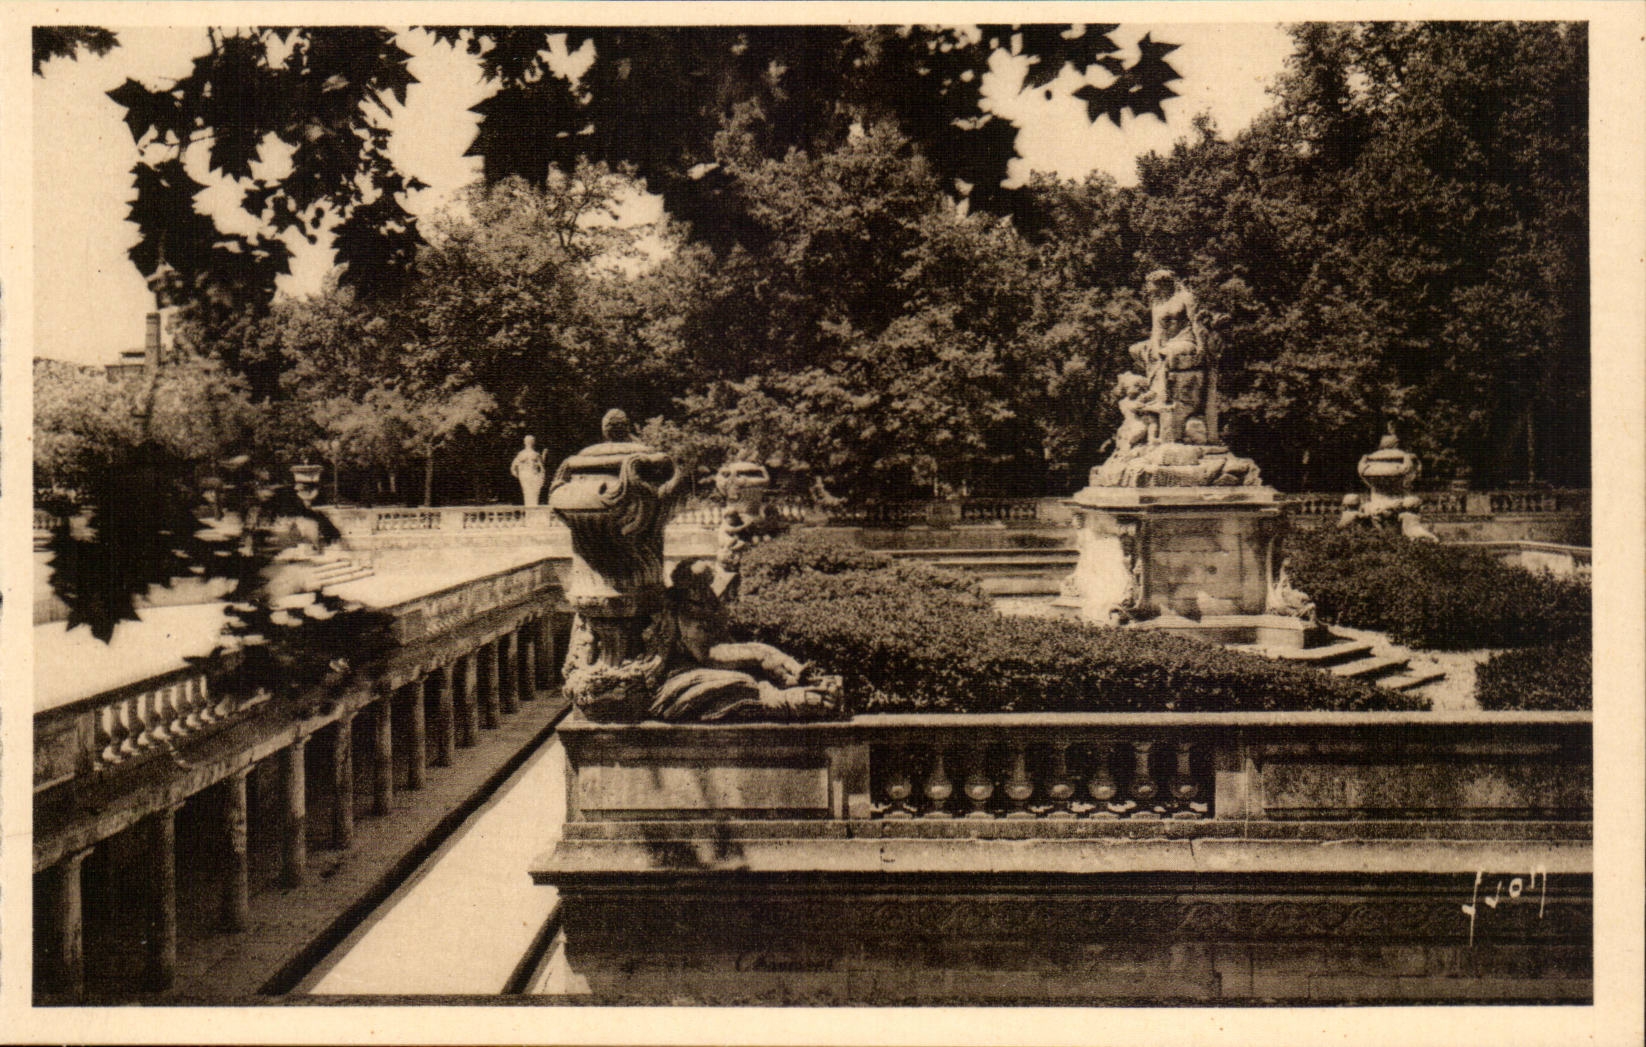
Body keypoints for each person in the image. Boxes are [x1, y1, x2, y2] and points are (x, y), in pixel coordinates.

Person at [1128, 269, 1208, 443]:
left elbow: (1195, 322)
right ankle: (1153, 391)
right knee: (1135, 350)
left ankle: (1163, 396)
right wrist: (1154, 348)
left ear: (1162, 283)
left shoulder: (1185, 297)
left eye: (1151, 284)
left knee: (1167, 354)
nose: (1149, 289)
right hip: (1165, 344)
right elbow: (1156, 331)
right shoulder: (1157, 304)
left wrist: (1201, 346)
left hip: (1185, 341)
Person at [511, 435, 546, 506]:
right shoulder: (523, 454)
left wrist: (541, 476)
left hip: (532, 475)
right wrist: (518, 474)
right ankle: (530, 512)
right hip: (526, 475)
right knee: (528, 492)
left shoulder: (534, 454)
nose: (530, 443)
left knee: (533, 493)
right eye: (529, 441)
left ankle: (531, 512)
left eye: (531, 441)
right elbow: (513, 467)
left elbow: (542, 468)